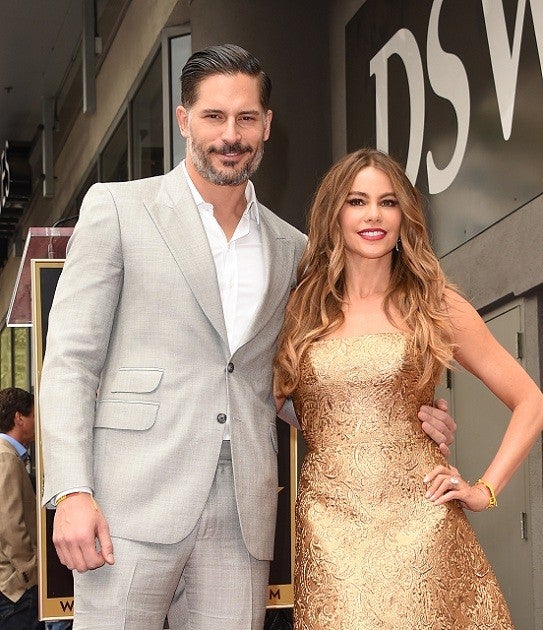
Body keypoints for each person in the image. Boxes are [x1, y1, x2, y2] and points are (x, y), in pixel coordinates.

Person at [38, 46, 456, 630]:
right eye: (214, 116)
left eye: (246, 118)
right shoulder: (119, 209)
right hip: (128, 508)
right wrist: (71, 490)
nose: (230, 135)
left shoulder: (295, 250)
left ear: (267, 125)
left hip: (241, 519)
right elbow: (70, 363)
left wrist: (397, 417)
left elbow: (290, 380)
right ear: (184, 120)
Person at [274, 148, 543, 629]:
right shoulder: (300, 308)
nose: (373, 215)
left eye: (388, 202)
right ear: (335, 213)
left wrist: (484, 490)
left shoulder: (434, 303)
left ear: (405, 216)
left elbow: (531, 401)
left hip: (422, 524)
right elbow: (262, 403)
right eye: (357, 201)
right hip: (328, 528)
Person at [0, 387, 43, 630]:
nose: (39, 422)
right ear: (19, 418)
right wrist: (29, 572)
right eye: (35, 415)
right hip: (14, 590)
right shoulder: (5, 456)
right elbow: (10, 525)